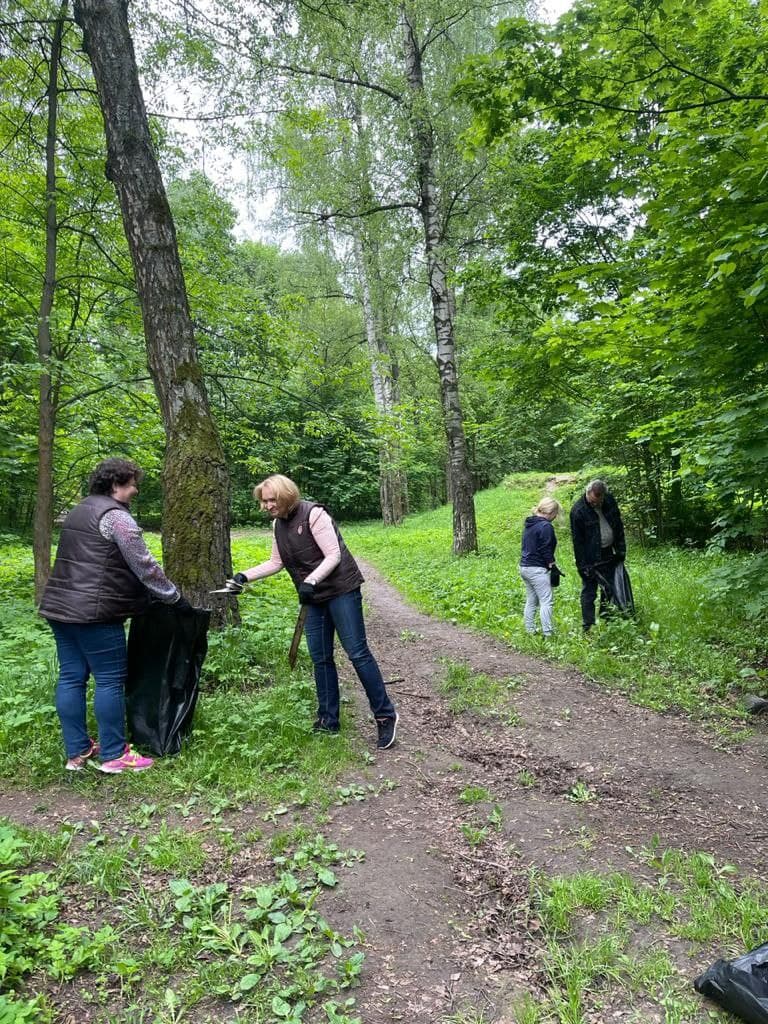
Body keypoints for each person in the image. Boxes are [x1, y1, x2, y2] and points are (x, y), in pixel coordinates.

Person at [39, 458, 192, 774]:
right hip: (95, 613)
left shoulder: (80, 510)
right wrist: (174, 598)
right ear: (115, 484)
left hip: (59, 607)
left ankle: (77, 752)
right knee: (109, 680)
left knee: (71, 677)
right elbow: (145, 566)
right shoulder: (116, 518)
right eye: (132, 483)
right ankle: (113, 754)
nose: (135, 489)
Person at [223, 474, 399, 750]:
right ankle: (328, 719)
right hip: (313, 597)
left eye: (271, 500)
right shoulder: (278, 525)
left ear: (285, 496)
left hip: (341, 590)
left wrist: (311, 580)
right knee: (320, 657)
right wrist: (244, 576)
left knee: (357, 652)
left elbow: (333, 555)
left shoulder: (314, 514)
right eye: (264, 501)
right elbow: (275, 562)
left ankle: (385, 715)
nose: (266, 506)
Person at [569, 479, 626, 632]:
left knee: (609, 588)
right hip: (589, 557)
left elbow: (618, 525)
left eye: (598, 502)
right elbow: (578, 542)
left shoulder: (609, 500)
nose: (595, 504)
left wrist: (621, 549)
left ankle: (607, 620)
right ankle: (587, 626)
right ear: (587, 493)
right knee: (589, 590)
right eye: (593, 501)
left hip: (608, 552)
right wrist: (582, 566)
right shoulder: (578, 511)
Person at [519, 497, 562, 637]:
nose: (555, 517)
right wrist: (552, 565)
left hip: (524, 566)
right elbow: (545, 548)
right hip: (537, 569)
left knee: (531, 600)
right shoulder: (545, 526)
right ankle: (548, 633)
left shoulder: (530, 524)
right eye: (556, 513)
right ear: (551, 512)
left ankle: (530, 630)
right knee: (546, 601)